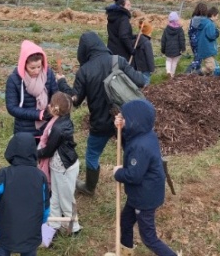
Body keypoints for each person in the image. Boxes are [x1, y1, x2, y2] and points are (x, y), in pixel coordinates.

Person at [56, 31, 145, 196]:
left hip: (100, 123)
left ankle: (89, 187)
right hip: (125, 118)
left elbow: (74, 100)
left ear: (84, 50)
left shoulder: (85, 71)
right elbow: (140, 81)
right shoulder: (118, 60)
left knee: (92, 154)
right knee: (133, 150)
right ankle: (141, 180)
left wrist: (61, 82)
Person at [113, 99, 178, 256]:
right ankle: (126, 251)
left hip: (144, 197)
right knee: (126, 222)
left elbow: (133, 175)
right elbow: (128, 143)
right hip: (140, 193)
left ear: (135, 121)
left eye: (125, 117)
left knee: (149, 238)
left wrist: (117, 173)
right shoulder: (145, 134)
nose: (122, 119)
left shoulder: (141, 146)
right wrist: (119, 128)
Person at [0, 132, 50, 256]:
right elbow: (46, 203)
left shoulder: (4, 174)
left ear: (11, 150)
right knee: (29, 251)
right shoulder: (40, 176)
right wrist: (44, 219)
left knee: (3, 250)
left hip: (8, 228)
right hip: (32, 228)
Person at [36, 92, 82, 235]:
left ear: (52, 107)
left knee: (66, 199)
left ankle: (74, 229)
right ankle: (52, 226)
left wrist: (34, 154)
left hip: (64, 168)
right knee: (55, 197)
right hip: (57, 166)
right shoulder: (59, 119)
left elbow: (49, 151)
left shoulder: (57, 128)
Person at [5, 40, 59, 142]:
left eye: (39, 66)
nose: (37, 71)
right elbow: (12, 108)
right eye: (32, 68)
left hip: (47, 128)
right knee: (27, 157)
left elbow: (56, 96)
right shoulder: (14, 80)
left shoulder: (48, 74)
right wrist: (39, 115)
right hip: (24, 131)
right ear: (24, 65)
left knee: (45, 157)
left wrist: (52, 109)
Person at [195, 6, 220, 76]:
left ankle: (206, 79)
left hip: (204, 48)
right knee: (210, 67)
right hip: (207, 49)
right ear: (213, 15)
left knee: (212, 66)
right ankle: (197, 73)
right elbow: (211, 36)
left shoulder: (205, 23)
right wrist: (217, 33)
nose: (217, 18)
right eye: (217, 16)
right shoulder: (210, 24)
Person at [160, 11, 186, 78]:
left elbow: (163, 40)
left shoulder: (166, 29)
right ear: (177, 20)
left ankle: (168, 71)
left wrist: (163, 49)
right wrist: (183, 48)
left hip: (168, 49)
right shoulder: (180, 29)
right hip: (177, 50)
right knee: (174, 62)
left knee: (168, 60)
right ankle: (172, 75)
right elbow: (182, 40)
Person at [131, 20, 155, 85]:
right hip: (145, 69)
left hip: (135, 68)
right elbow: (149, 57)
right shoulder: (146, 43)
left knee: (137, 85)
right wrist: (152, 69)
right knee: (146, 86)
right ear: (148, 31)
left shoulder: (135, 40)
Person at [186, 2, 208, 74]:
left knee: (197, 56)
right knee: (198, 58)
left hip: (192, 40)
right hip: (200, 41)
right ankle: (189, 70)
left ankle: (197, 72)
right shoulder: (204, 20)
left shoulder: (193, 19)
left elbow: (190, 31)